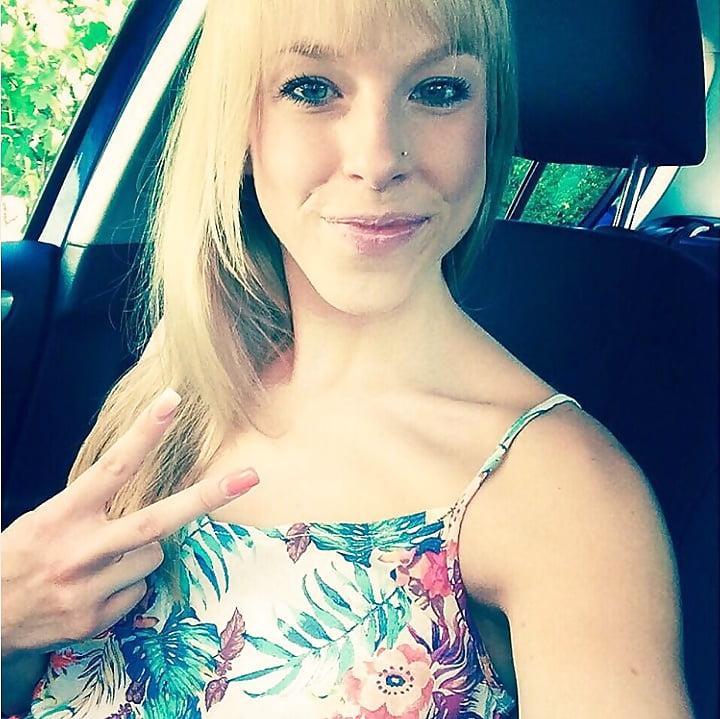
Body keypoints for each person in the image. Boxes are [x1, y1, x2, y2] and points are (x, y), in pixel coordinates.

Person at [1, 0, 694, 717]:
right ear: (238, 123)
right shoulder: (174, 395)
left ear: (489, 120)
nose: (377, 160)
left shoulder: (563, 493)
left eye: (438, 90)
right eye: (311, 88)